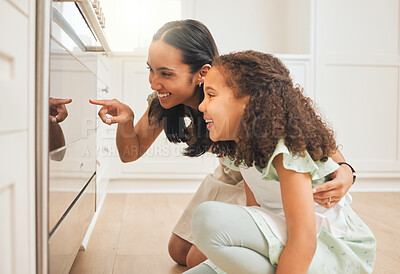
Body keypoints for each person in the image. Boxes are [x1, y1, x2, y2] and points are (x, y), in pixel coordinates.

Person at [89, 20, 356, 267]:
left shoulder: (236, 88)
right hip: (236, 171)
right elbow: (130, 153)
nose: (154, 82)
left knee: (196, 258)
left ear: (201, 73)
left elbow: (304, 131)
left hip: (259, 177)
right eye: (151, 70)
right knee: (178, 252)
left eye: (166, 73)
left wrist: (345, 168)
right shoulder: (165, 101)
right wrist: (127, 121)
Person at [184, 50, 376, 273]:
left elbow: (304, 240)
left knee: (208, 219)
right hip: (282, 237)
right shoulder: (240, 148)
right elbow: (255, 210)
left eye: (211, 95)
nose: (201, 106)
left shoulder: (287, 153)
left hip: (329, 250)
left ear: (248, 102)